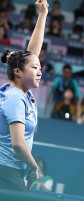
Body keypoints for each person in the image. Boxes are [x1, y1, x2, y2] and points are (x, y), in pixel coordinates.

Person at [0, 0, 49, 191]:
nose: (39, 72)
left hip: (10, 170)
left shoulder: (21, 93)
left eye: (40, 68)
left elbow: (32, 55)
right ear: (18, 72)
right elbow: (19, 143)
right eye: (35, 68)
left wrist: (43, 14)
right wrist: (34, 166)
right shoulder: (14, 97)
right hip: (5, 171)